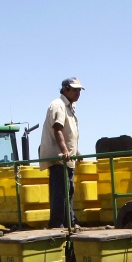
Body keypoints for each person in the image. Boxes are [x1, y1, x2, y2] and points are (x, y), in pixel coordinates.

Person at [38, 77, 84, 228]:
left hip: (68, 157)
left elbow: (69, 133)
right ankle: (58, 224)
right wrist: (65, 151)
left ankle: (69, 221)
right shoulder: (58, 105)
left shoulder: (70, 106)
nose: (78, 93)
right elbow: (57, 128)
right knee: (60, 191)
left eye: (79, 90)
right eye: (75, 89)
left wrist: (75, 151)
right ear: (65, 89)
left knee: (68, 190)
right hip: (59, 157)